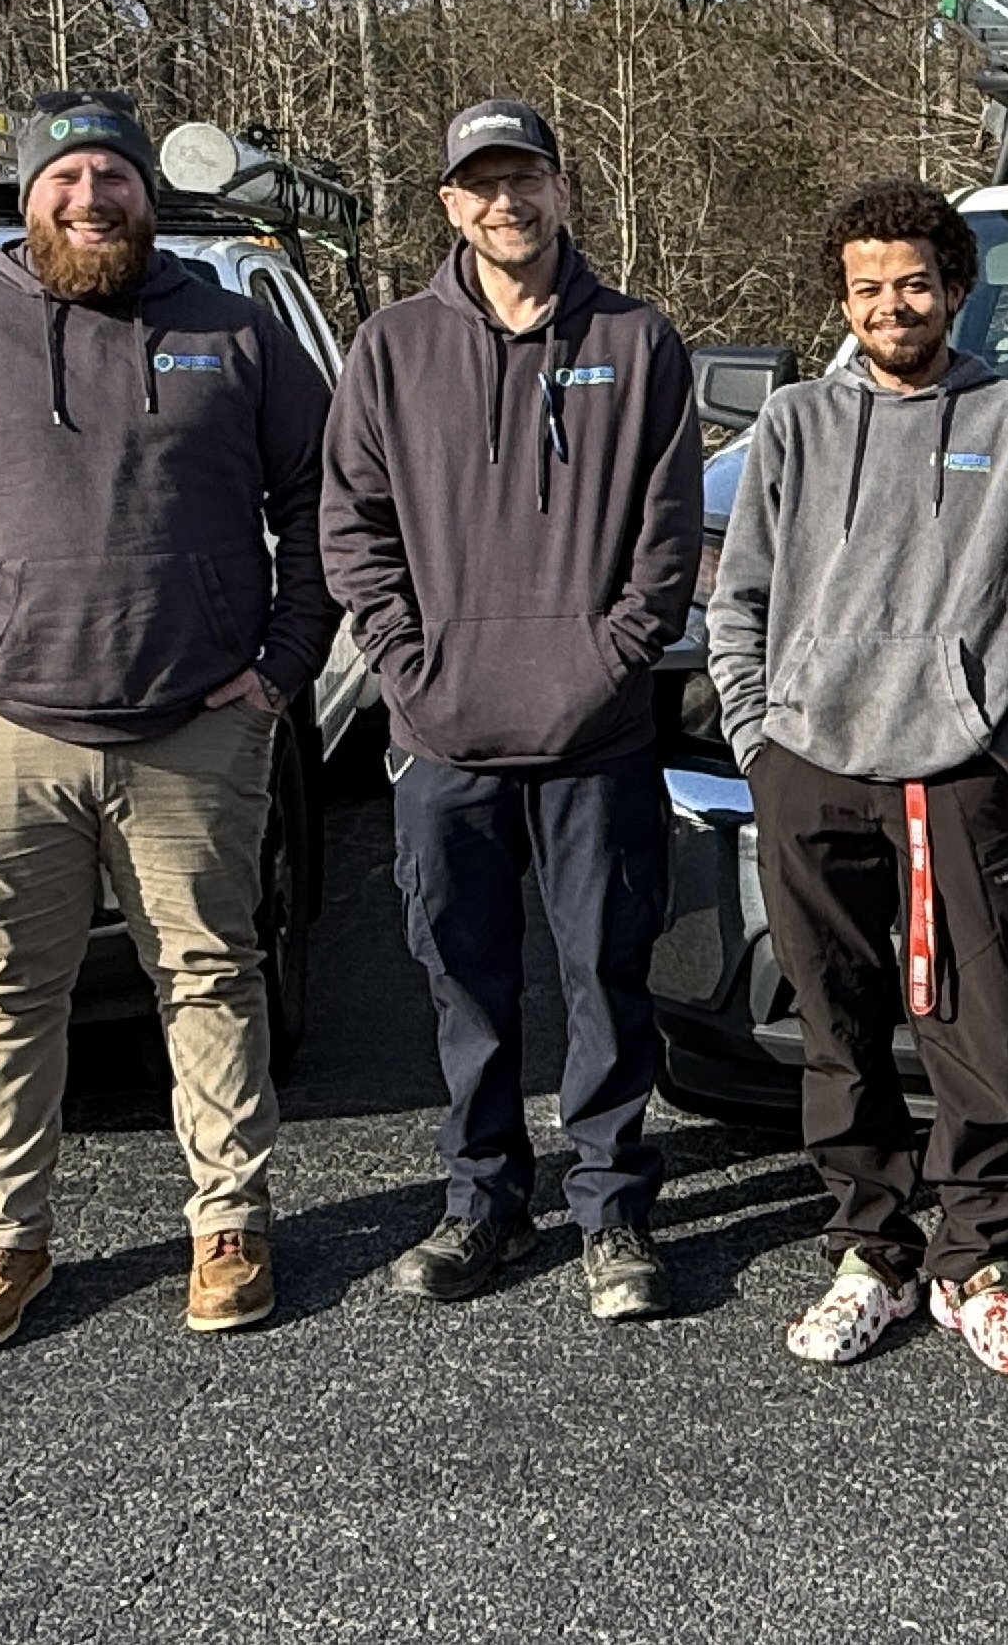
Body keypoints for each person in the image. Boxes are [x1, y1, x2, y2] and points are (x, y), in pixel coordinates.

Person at [0, 92, 337, 1352]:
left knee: (212, 978)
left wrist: (279, 668)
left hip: (193, 728)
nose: (91, 199)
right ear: (29, 198)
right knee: (3, 992)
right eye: (67, 178)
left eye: (114, 177)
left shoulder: (235, 333)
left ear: (149, 194)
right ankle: (5, 1237)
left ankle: (230, 1220)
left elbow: (326, 502)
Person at [322, 98, 702, 1323]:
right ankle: (481, 1201)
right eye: (481, 184)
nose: (506, 202)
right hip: (444, 735)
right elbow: (353, 528)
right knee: (465, 982)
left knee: (606, 973)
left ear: (559, 188)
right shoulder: (391, 349)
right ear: (450, 204)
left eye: (524, 177)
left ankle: (612, 1209)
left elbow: (667, 536)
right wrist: (407, 663)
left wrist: (613, 658)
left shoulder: (636, 341)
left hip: (598, 733)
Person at [704, 181, 1008, 1375]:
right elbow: (742, 596)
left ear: (956, 287)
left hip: (959, 767)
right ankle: (873, 1250)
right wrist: (759, 739)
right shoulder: (795, 423)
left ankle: (980, 1260)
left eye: (914, 283)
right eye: (867, 288)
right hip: (809, 761)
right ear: (843, 300)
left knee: (981, 1023)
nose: (892, 305)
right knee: (837, 1021)